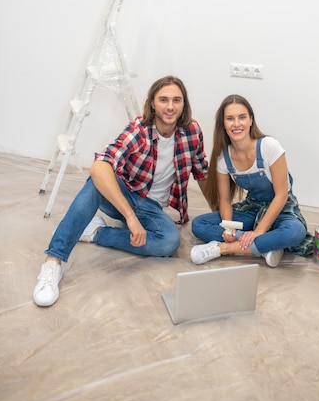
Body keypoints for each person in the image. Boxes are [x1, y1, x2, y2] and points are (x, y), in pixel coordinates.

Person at [33, 75, 208, 307]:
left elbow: (201, 172)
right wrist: (130, 217)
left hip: (151, 207)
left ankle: (96, 232)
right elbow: (99, 166)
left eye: (177, 100)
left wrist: (221, 212)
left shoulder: (192, 132)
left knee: (168, 243)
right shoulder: (139, 130)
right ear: (153, 103)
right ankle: (53, 262)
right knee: (98, 179)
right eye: (163, 100)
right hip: (123, 195)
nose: (170, 106)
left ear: (184, 104)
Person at [190, 94, 312, 267]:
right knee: (199, 224)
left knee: (295, 232)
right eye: (230, 119)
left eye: (242, 117)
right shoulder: (223, 158)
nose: (237, 124)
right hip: (252, 208)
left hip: (281, 209)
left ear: (251, 120)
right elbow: (224, 200)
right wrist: (229, 228)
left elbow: (282, 195)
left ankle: (224, 248)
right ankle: (267, 246)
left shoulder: (269, 146)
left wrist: (258, 231)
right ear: (223, 125)